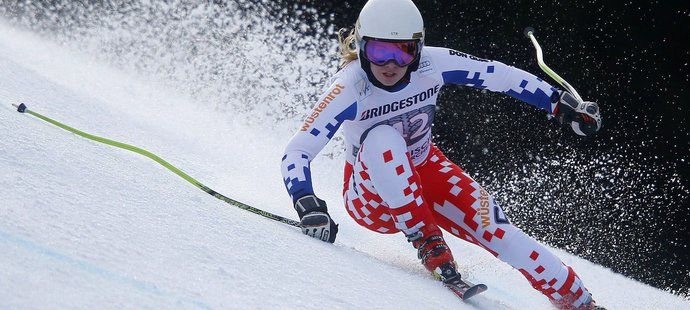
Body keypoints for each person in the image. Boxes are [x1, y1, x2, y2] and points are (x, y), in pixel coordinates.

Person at [280, 0, 602, 309]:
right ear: (362, 47)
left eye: (402, 52)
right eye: (379, 52)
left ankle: (580, 301)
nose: (390, 65)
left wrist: (559, 103)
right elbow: (297, 150)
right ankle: (429, 244)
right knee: (382, 138)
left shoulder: (433, 64)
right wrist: (306, 202)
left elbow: (499, 76)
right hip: (371, 201)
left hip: (426, 172)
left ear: (418, 49)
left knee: (502, 233)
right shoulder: (351, 86)